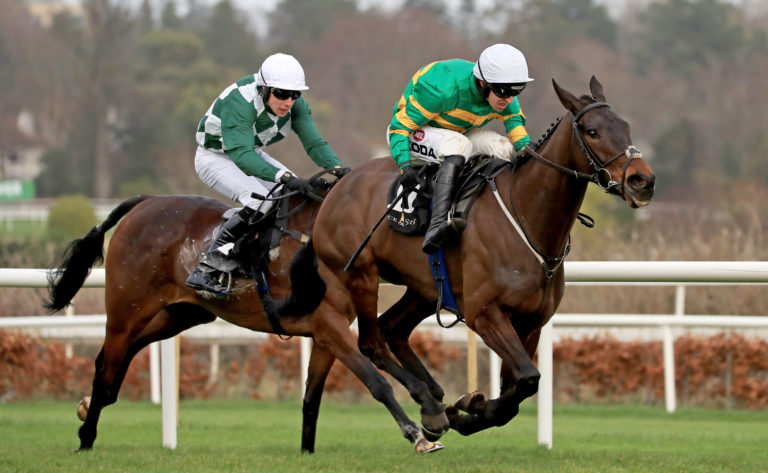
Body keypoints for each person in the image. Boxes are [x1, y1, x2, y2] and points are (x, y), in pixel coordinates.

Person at [187, 52, 346, 295]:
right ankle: (207, 267)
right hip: (215, 157)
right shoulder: (240, 101)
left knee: (295, 196)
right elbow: (241, 155)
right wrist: (284, 177)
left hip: (251, 152)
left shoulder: (295, 105)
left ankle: (267, 255)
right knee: (260, 201)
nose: (288, 101)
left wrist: (337, 169)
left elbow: (314, 143)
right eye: (281, 94)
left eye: (295, 94)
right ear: (263, 88)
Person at [387, 43, 534, 253]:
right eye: (504, 92)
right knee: (459, 145)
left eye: (516, 91)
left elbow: (516, 127)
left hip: (455, 133)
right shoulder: (443, 89)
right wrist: (405, 166)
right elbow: (399, 127)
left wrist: (528, 150)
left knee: (502, 147)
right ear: (482, 83)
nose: (509, 99)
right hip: (410, 132)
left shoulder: (502, 93)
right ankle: (436, 226)